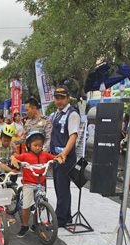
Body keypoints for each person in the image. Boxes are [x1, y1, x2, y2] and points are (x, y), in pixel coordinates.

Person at [10, 131, 64, 237]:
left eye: (40, 145)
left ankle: (35, 225)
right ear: (29, 145)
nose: (38, 148)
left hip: (40, 183)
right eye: (35, 145)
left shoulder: (45, 155)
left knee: (39, 205)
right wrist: (14, 160)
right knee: (26, 206)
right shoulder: (25, 156)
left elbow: (54, 157)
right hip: (29, 184)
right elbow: (14, 157)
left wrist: (58, 158)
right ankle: (24, 226)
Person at [49, 84, 80, 228]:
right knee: (59, 188)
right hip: (56, 157)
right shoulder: (56, 114)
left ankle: (60, 219)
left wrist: (64, 154)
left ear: (68, 98)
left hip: (65, 158)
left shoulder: (72, 114)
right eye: (57, 98)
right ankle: (66, 216)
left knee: (62, 189)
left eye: (62, 98)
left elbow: (73, 135)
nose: (59, 101)